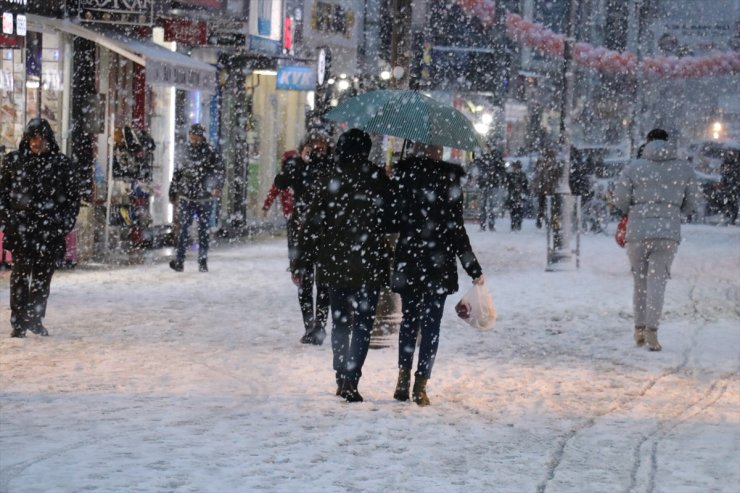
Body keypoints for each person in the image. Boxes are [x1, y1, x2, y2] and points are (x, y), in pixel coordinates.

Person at [291, 129, 394, 402]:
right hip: (369, 261)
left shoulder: (329, 178)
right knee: (363, 323)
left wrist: (300, 261)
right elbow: (392, 220)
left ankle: (340, 374)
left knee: (341, 320)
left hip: (334, 262)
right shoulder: (377, 178)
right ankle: (352, 377)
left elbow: (311, 223)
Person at [391, 142, 484, 406]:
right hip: (437, 263)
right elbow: (456, 230)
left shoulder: (404, 177)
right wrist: (472, 268)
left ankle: (402, 379)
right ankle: (421, 385)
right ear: (436, 151)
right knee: (431, 325)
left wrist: (395, 181)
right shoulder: (449, 180)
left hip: (410, 260)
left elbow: (393, 218)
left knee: (409, 321)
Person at [613, 128, 702, 351]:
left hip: (638, 232)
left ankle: (639, 329)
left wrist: (632, 211)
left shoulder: (634, 168)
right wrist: (674, 211)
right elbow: (693, 201)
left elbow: (620, 199)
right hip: (667, 233)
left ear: (648, 142)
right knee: (657, 282)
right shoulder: (683, 168)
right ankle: (652, 331)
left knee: (640, 282)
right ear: (668, 142)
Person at [0, 118, 81, 337]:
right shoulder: (13, 162)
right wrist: (8, 220)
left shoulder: (61, 164)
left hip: (49, 230)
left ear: (48, 139)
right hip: (22, 229)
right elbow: (3, 195)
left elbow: (72, 199)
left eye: (40, 138)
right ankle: (18, 323)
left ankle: (35, 318)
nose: (36, 143)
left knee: (42, 277)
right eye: (32, 138)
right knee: (20, 276)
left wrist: (63, 224)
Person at [274, 132, 332, 345]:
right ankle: (310, 325)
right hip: (301, 229)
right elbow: (280, 182)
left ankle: (321, 325)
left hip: (325, 230)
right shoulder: (298, 165)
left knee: (324, 283)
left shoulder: (332, 165)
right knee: (304, 281)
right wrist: (299, 162)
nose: (318, 149)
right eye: (313, 145)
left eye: (321, 145)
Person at [168, 123, 224, 273]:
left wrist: (216, 187)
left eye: (195, 137)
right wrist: (173, 191)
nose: (193, 140)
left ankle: (202, 261)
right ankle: (180, 261)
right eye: (191, 137)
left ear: (201, 136)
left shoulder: (210, 152)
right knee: (183, 230)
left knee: (202, 230)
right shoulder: (186, 151)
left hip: (203, 197)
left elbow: (219, 171)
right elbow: (177, 173)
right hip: (187, 196)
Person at [473, 149, 506, 231]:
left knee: (488, 206)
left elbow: (501, 169)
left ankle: (487, 224)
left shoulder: (492, 157)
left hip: (490, 184)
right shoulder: (483, 157)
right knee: (485, 206)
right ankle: (484, 225)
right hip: (486, 184)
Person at [532, 147, 561, 228]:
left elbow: (538, 176)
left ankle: (543, 221)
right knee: (551, 207)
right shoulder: (552, 164)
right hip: (549, 189)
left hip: (545, 189)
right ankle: (549, 222)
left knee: (543, 206)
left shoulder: (544, 163)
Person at [505, 160, 529, 231]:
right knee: (513, 211)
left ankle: (518, 224)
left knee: (519, 211)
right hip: (512, 195)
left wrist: (523, 191)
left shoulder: (522, 175)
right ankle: (513, 224)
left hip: (520, 195)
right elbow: (508, 185)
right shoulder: (510, 175)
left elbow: (525, 185)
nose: (515, 169)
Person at [719, 149, 739, 225]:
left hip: (732, 185)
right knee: (730, 201)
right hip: (730, 185)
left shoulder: (732, 163)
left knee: (731, 202)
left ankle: (731, 217)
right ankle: (730, 216)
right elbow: (723, 173)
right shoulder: (729, 163)